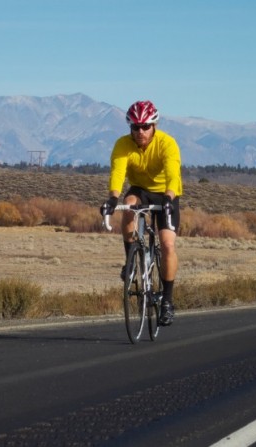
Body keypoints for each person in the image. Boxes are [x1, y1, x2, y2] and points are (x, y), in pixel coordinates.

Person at [100, 100, 183, 326]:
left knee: (167, 245)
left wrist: (169, 198)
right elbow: (118, 172)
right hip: (140, 190)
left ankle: (167, 301)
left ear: (154, 125)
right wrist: (112, 198)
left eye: (145, 126)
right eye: (135, 127)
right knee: (128, 205)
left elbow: (173, 174)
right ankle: (131, 262)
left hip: (166, 193)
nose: (140, 132)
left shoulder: (167, 143)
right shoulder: (123, 144)